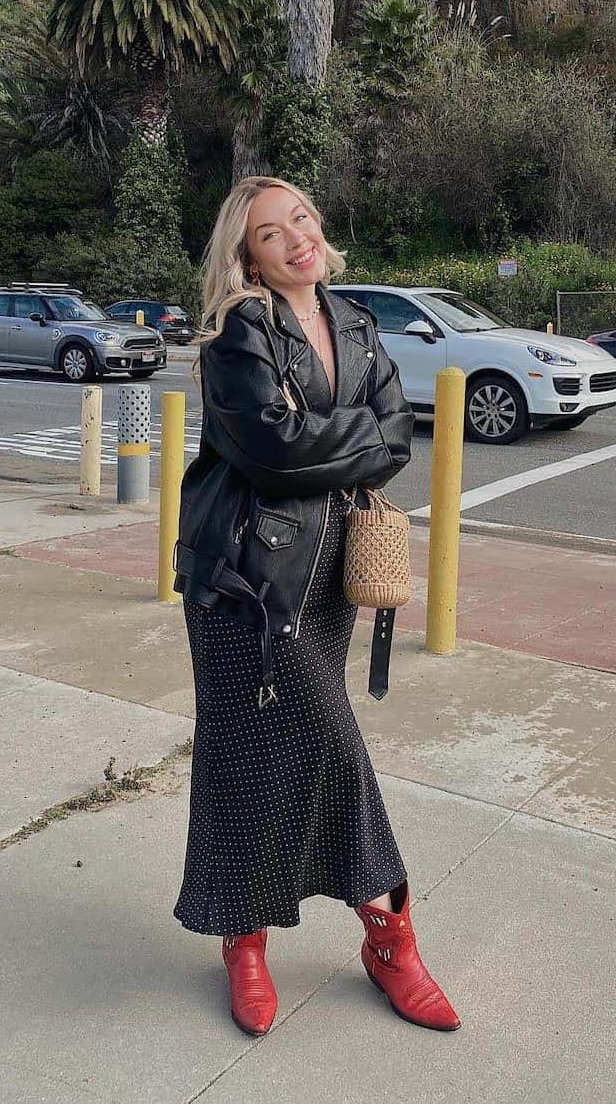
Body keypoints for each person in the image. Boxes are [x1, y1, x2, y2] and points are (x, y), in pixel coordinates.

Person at [172, 175, 461, 1036]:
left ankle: (285, 935)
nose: (295, 237)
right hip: (242, 580)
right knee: (266, 750)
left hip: (328, 575)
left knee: (298, 748)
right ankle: (367, 933)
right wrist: (352, 440)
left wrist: (329, 442)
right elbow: (269, 454)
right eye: (270, 232)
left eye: (300, 217)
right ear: (246, 256)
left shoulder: (361, 326)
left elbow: (397, 437)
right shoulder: (236, 334)